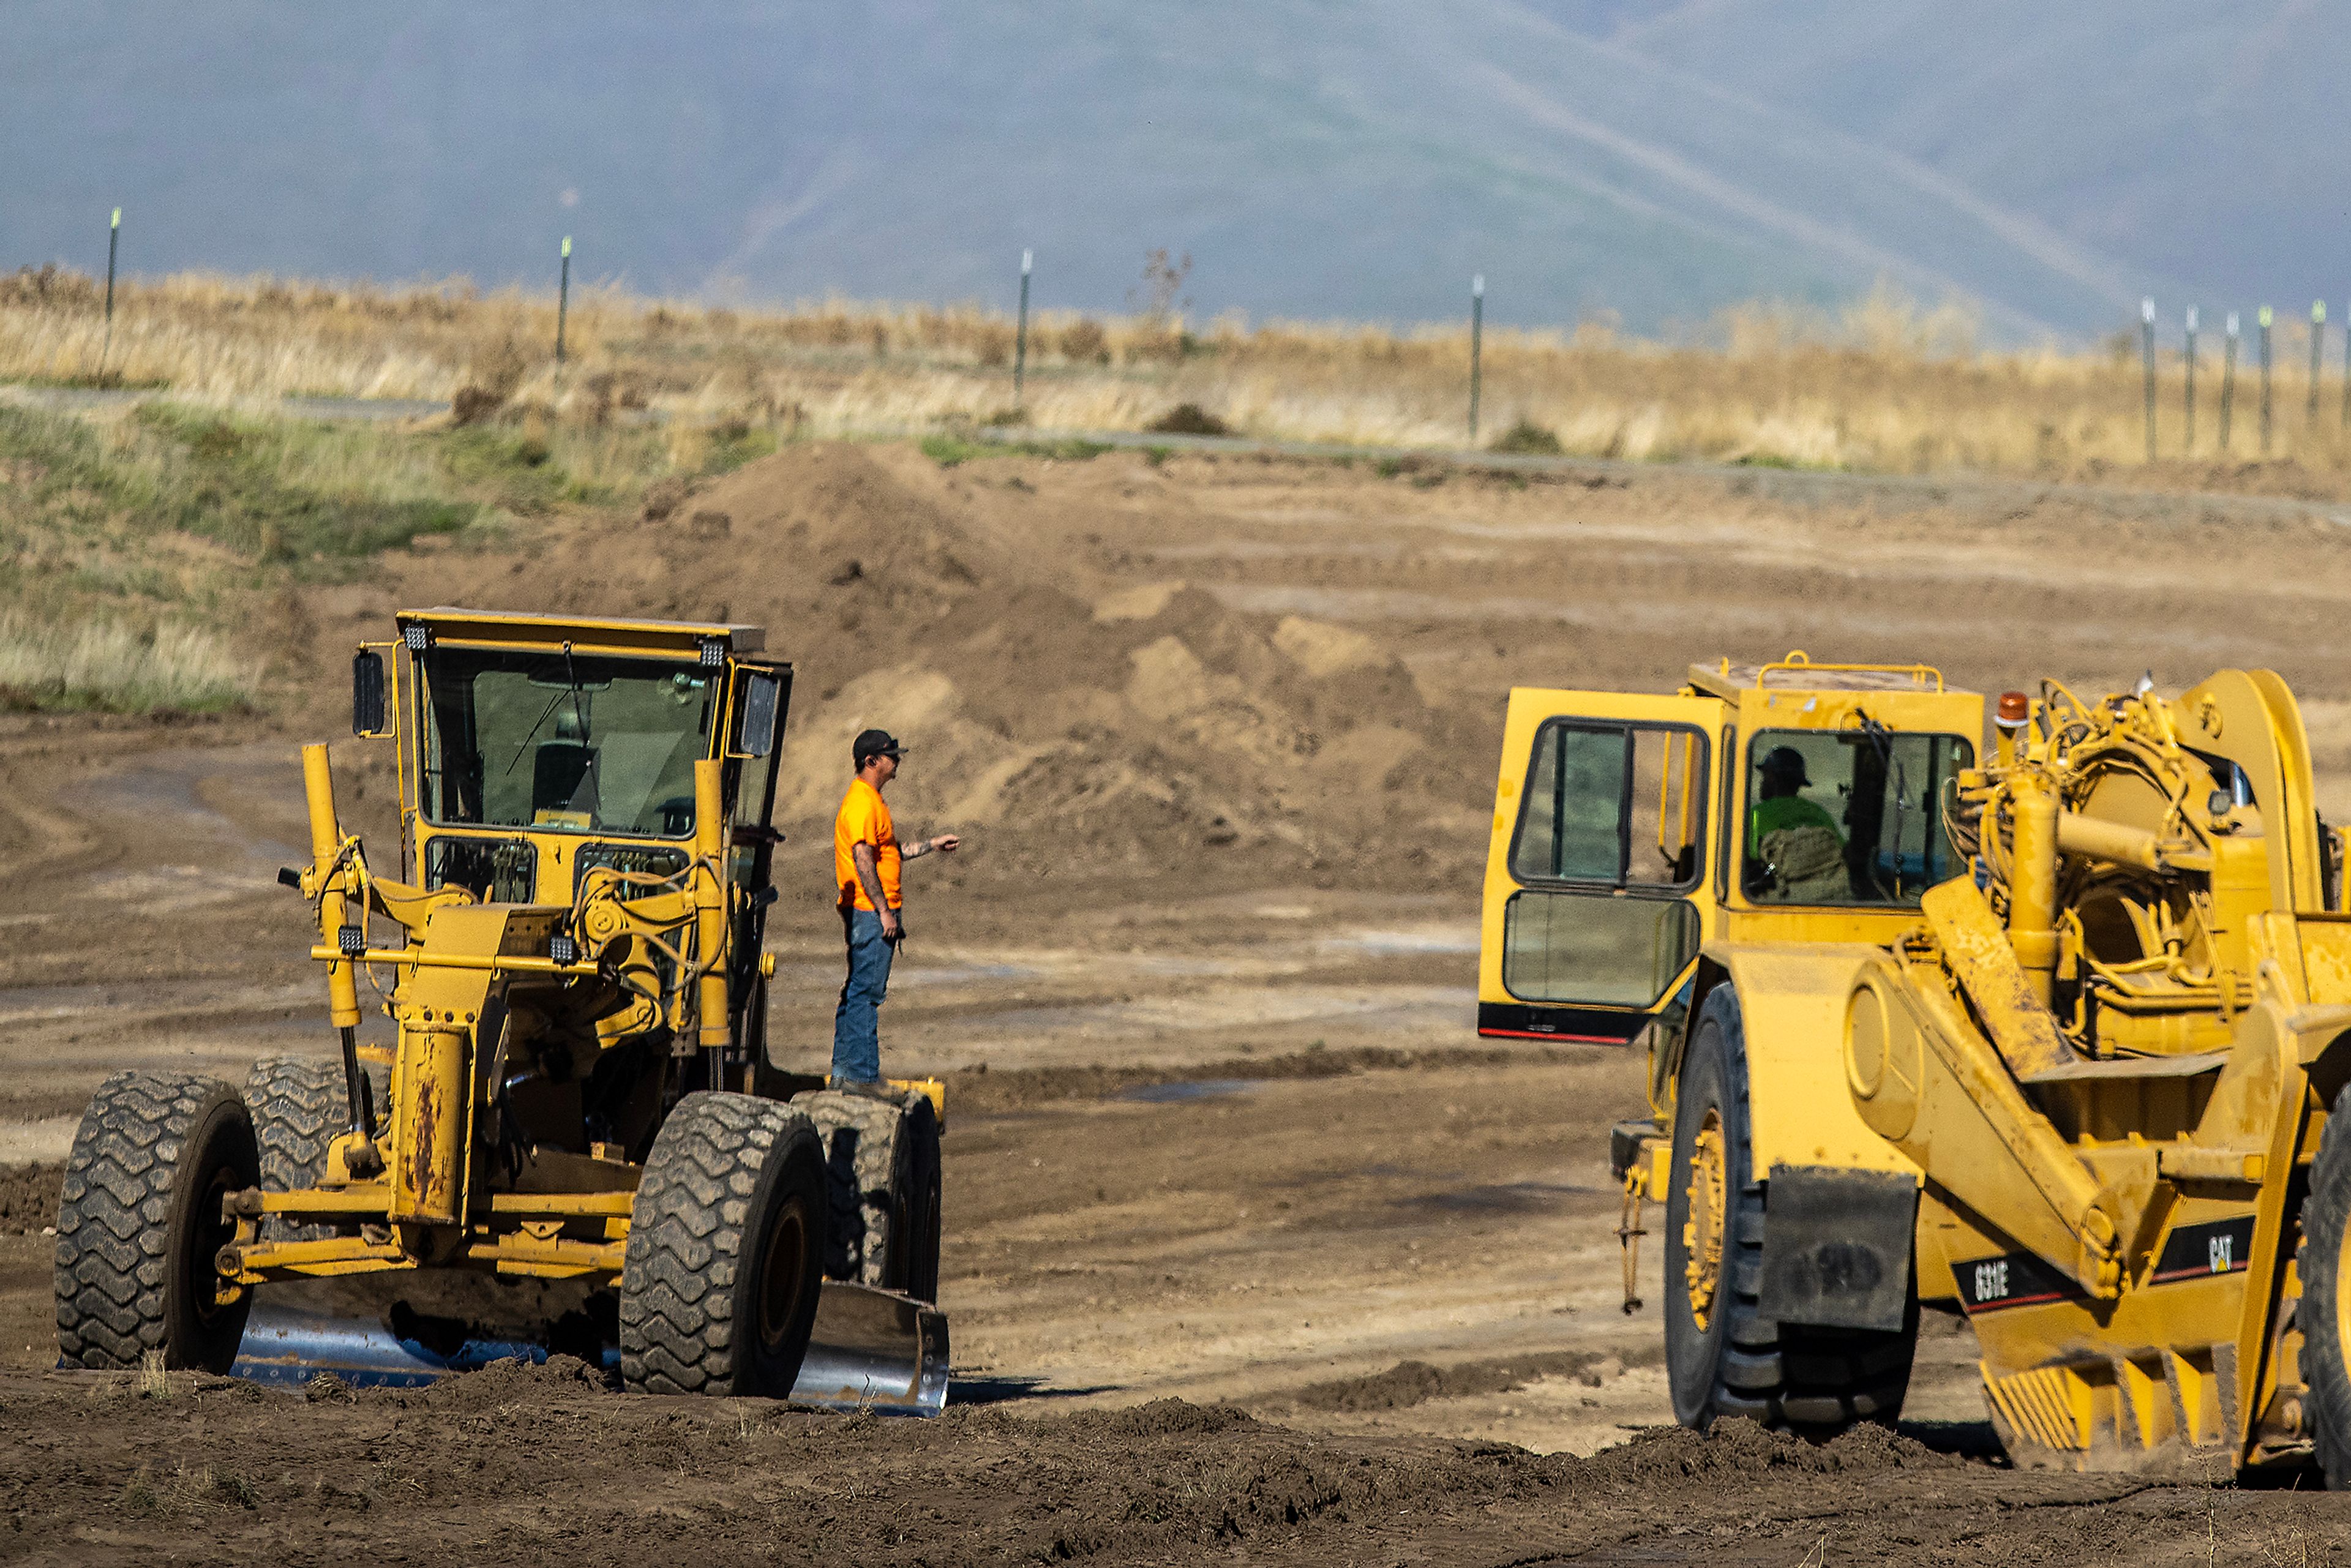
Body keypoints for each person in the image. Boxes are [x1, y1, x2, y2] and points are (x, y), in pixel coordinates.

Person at [831, 728, 959, 1087]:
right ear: (872, 761)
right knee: (866, 993)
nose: (897, 760)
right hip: (871, 912)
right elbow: (862, 859)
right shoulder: (861, 802)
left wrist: (933, 844)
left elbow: (888, 851)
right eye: (891, 755)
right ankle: (863, 1077)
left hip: (871, 910)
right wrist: (884, 911)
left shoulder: (872, 800)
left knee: (858, 990)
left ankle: (844, 1075)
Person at [1744, 745, 1846, 902]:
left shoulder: (1758, 814)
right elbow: (1841, 851)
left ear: (1771, 777)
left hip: (1778, 899)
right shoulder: (1818, 812)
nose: (1763, 783)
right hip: (1824, 898)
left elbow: (1749, 858)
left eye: (1765, 776)